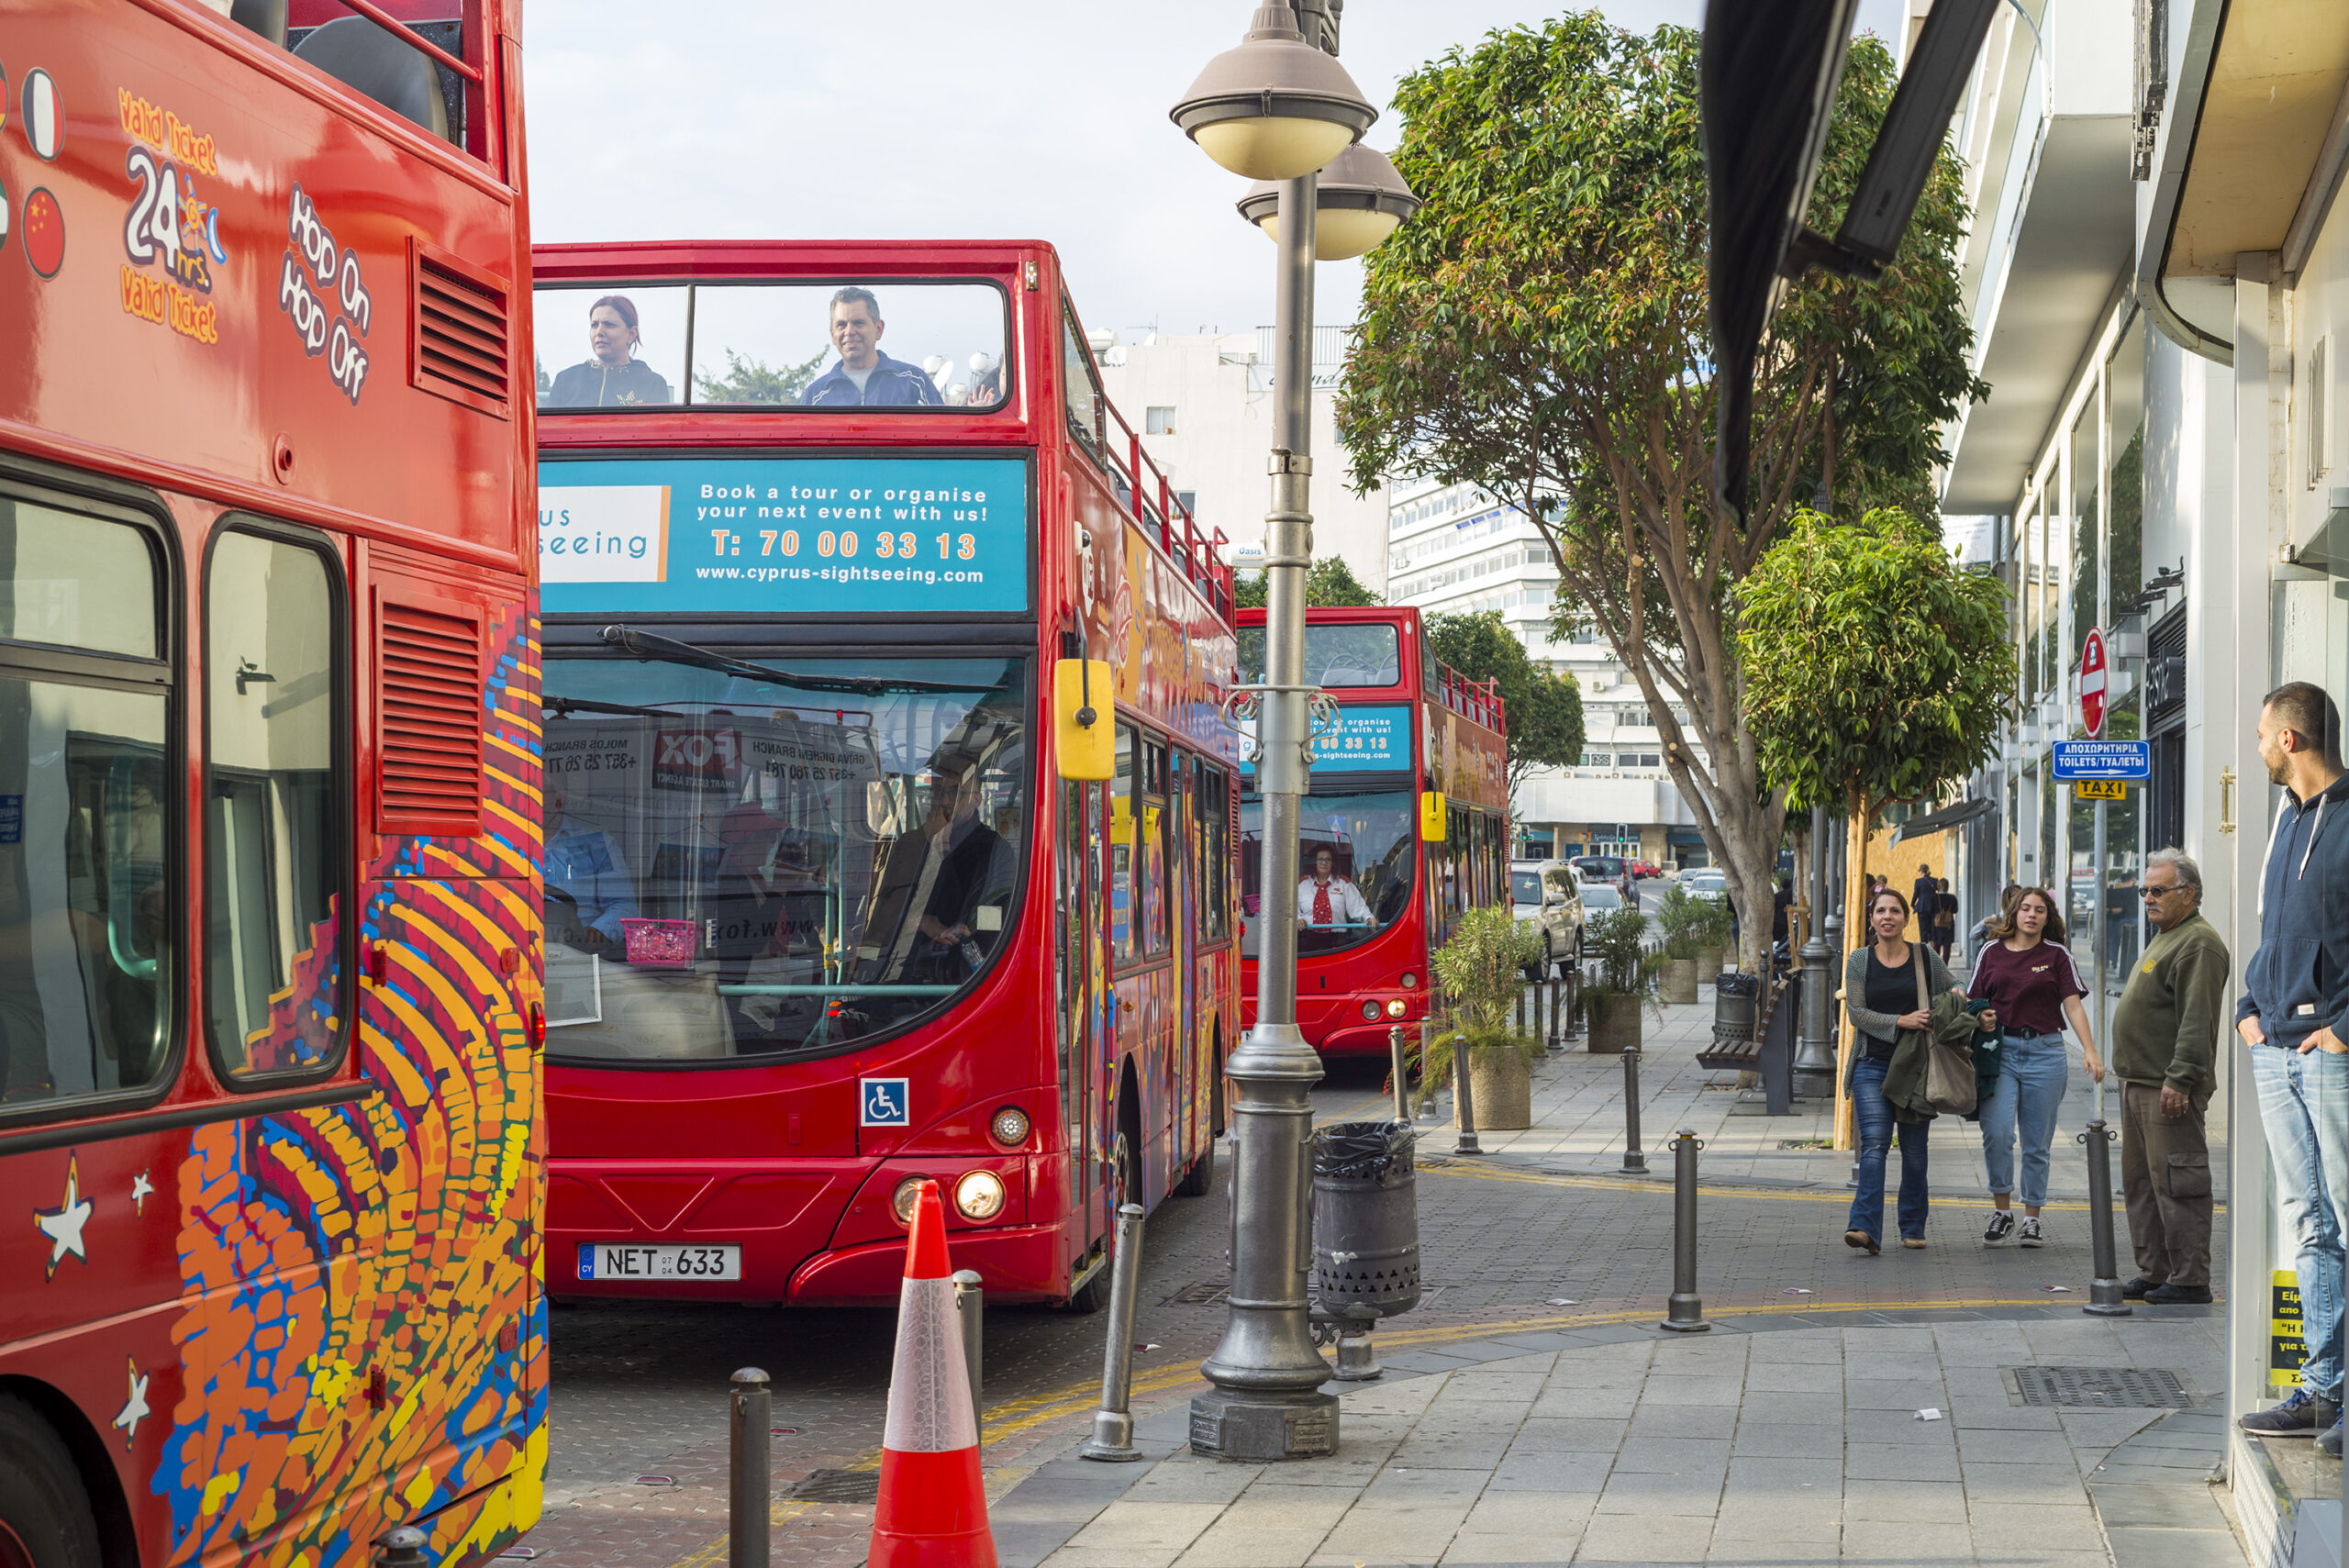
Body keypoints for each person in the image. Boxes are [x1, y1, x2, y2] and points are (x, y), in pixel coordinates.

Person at [2235, 682, 2349, 1452]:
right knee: (2308, 1223)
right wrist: (2247, 1008)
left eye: (2261, 733)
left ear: (2290, 740)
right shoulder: (2284, 822)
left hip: (2329, 1054)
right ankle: (2321, 1391)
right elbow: (2274, 931)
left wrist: (2344, 1030)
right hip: (2273, 1049)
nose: (2255, 745)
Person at [2109, 849, 2228, 1307]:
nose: (2148, 898)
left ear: (2189, 894)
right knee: (2142, 1185)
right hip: (2140, 1083)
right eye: (2145, 891)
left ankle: (2190, 1278)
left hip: (2168, 1088)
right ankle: (2155, 1271)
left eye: (2159, 890)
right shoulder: (2166, 935)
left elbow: (2197, 1021)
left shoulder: (2198, 942)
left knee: (2180, 1183)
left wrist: (2180, 1078)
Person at [1968, 886, 2103, 1247]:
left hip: (2046, 1052)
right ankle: (2002, 1212)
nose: (2032, 915)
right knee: (1997, 1133)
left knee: (2036, 1142)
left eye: (2039, 910)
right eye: (2025, 908)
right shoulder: (1990, 952)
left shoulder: (2057, 955)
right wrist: (1980, 1014)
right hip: (2001, 1051)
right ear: (2013, 913)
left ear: (2048, 917)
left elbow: (2072, 1005)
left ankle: (2031, 1218)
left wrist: (2090, 1051)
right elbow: (1974, 999)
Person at [1842, 887, 1960, 1253]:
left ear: (1906, 919)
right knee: (1874, 1147)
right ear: (1872, 918)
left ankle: (1912, 1225)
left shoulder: (1924, 956)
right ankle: (1864, 1227)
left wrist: (1958, 999)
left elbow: (1954, 985)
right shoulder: (1859, 960)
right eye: (1881, 911)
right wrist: (1902, 1020)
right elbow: (1856, 1014)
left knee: (1914, 1151)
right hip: (1872, 1065)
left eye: (1895, 910)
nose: (1887, 917)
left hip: (1915, 1068)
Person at [801, 286, 945, 407]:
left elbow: (942, 434)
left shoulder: (913, 382)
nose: (849, 332)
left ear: (878, 329)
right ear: (832, 334)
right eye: (841, 325)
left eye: (858, 323)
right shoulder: (814, 396)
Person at [545, 778, 638, 946]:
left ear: (559, 798)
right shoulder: (507, 846)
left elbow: (624, 909)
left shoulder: (596, 844)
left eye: (539, 792)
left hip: (581, 956)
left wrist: (583, 940)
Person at [545, 295, 674, 407]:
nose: (599, 332)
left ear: (631, 334)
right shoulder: (566, 379)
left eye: (609, 324)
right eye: (594, 325)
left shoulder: (652, 384)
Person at [1297, 846, 1373, 929]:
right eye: (1320, 859)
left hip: (1338, 939)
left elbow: (1358, 908)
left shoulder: (1344, 884)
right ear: (1314, 862)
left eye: (1328, 859)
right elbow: (1290, 910)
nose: (1324, 863)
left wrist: (1368, 918)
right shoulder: (1301, 884)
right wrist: (1298, 919)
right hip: (1307, 938)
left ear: (1333, 863)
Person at [1932, 877, 1957, 962]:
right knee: (1947, 947)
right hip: (1948, 925)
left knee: (1936, 946)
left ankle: (1936, 965)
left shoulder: (1934, 897)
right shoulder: (1952, 898)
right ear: (1947, 886)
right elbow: (1955, 910)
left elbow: (1930, 910)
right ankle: (1945, 966)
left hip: (1937, 925)